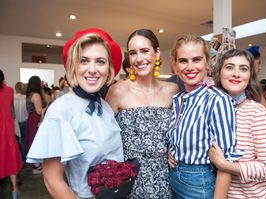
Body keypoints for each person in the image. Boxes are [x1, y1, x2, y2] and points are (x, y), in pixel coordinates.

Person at [26, 28, 124, 199]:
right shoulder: (61, 110)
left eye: (100, 62)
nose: (92, 69)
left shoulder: (105, 106)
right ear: (73, 66)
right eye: (84, 61)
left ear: (109, 69)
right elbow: (52, 180)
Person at [106, 28, 178, 198]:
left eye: (145, 51)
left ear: (157, 53)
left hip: (166, 178)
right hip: (130, 181)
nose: (139, 59)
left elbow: (179, 130)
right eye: (133, 53)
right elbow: (105, 138)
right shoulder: (117, 91)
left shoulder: (172, 90)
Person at [167, 34, 239, 199]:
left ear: (208, 62)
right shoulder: (179, 98)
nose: (190, 67)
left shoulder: (218, 100)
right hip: (174, 176)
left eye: (197, 59)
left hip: (199, 182)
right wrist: (172, 151)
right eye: (183, 61)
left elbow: (227, 162)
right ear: (176, 65)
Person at [209, 49, 266, 198]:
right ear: (219, 73)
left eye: (243, 69)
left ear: (250, 77)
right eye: (229, 67)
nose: (236, 73)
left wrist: (224, 165)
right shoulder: (213, 111)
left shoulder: (259, 115)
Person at [0, 70, 23, 199]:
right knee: (10, 159)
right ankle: (14, 190)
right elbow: (11, 111)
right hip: (7, 129)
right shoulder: (9, 91)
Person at [24, 75, 47, 174]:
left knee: (33, 140)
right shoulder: (36, 95)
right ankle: (37, 165)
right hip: (35, 120)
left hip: (31, 119)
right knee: (36, 141)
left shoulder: (29, 94)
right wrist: (47, 107)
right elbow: (39, 111)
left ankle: (36, 164)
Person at [14, 81, 28, 161]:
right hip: (24, 121)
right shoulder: (26, 98)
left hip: (14, 122)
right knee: (23, 142)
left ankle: (16, 160)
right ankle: (23, 159)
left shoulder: (12, 97)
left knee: (15, 143)